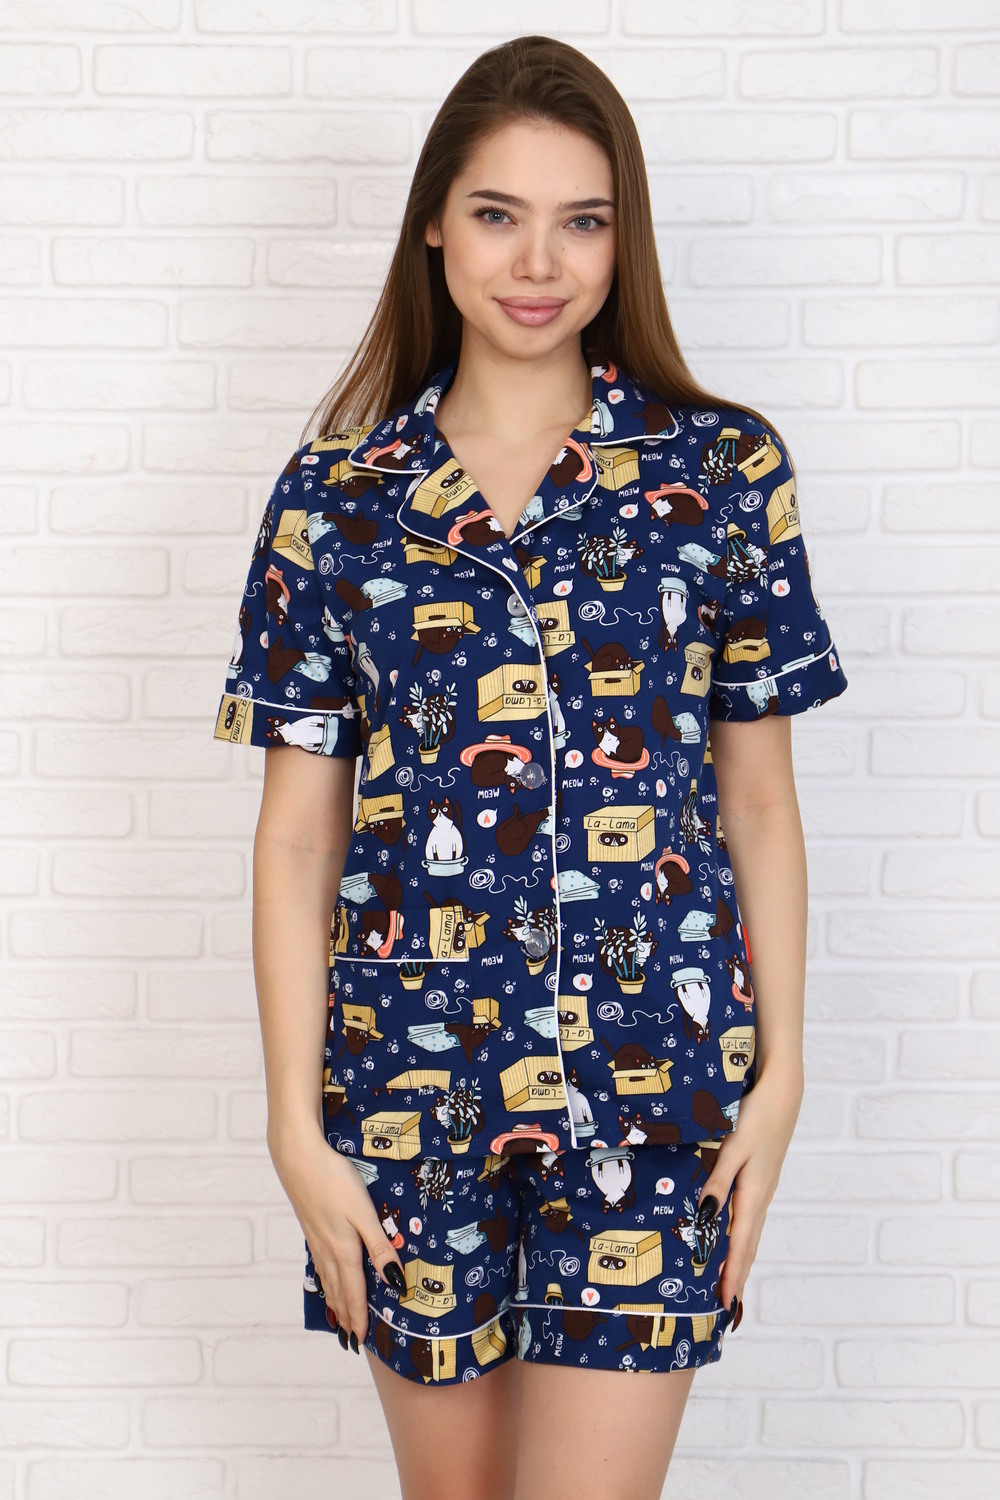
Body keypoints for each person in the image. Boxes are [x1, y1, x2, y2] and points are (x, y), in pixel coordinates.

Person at [214, 34, 848, 1500]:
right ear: (436, 224)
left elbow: (760, 802)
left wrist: (785, 1075)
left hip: (659, 1093)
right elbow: (297, 837)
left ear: (624, 239)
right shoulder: (336, 501)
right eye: (498, 214)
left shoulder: (722, 475)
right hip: (406, 1093)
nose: (539, 262)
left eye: (583, 220)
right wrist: (293, 1125)